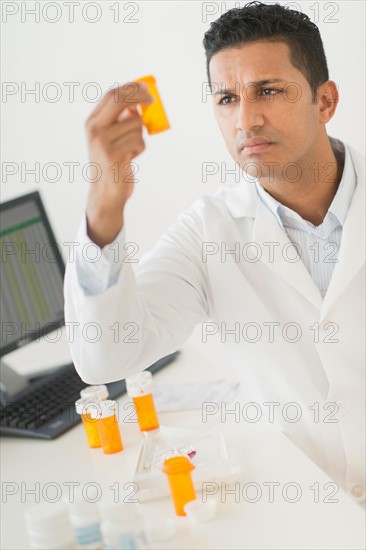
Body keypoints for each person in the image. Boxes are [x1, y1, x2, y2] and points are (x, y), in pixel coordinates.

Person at [64, 2, 365, 504]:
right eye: (227, 98)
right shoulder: (208, 232)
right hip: (310, 511)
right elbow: (105, 357)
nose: (246, 119)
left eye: (268, 90)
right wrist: (104, 208)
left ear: (325, 101)